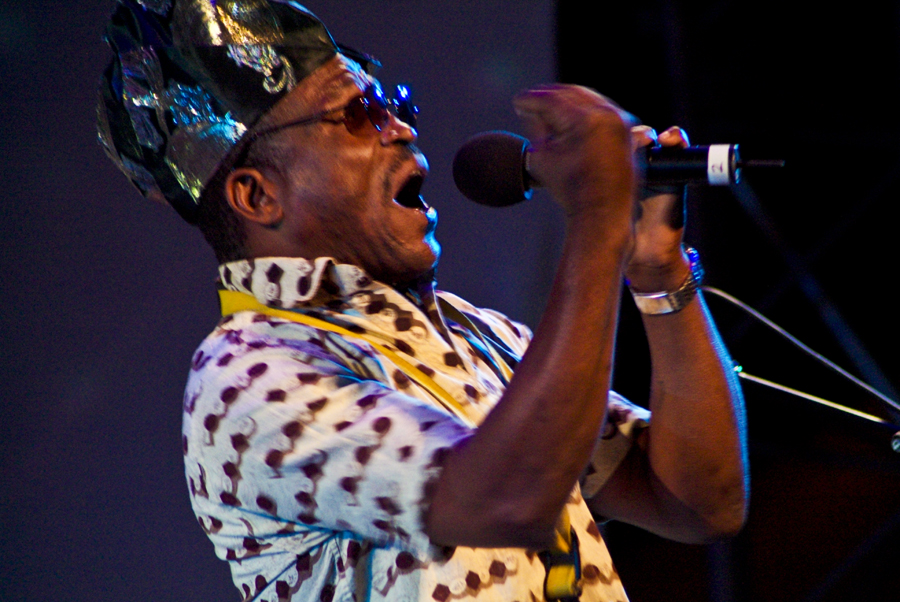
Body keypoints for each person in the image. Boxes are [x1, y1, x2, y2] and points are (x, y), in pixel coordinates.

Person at [98, 2, 748, 601]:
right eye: (358, 115)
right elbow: (507, 501)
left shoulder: (479, 334)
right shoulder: (244, 375)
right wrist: (597, 219)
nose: (402, 128)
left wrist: (658, 271)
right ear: (259, 197)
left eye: (392, 104)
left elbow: (699, 501)